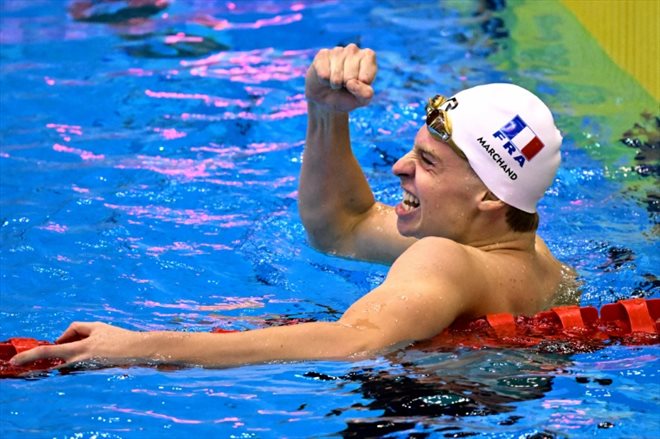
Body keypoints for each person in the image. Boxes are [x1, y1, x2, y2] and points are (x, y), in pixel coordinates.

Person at [11, 44, 572, 369]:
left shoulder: (445, 259)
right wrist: (327, 114)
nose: (399, 167)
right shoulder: (539, 262)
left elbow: (352, 340)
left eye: (428, 163)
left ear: (489, 198)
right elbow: (342, 226)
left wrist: (136, 347)